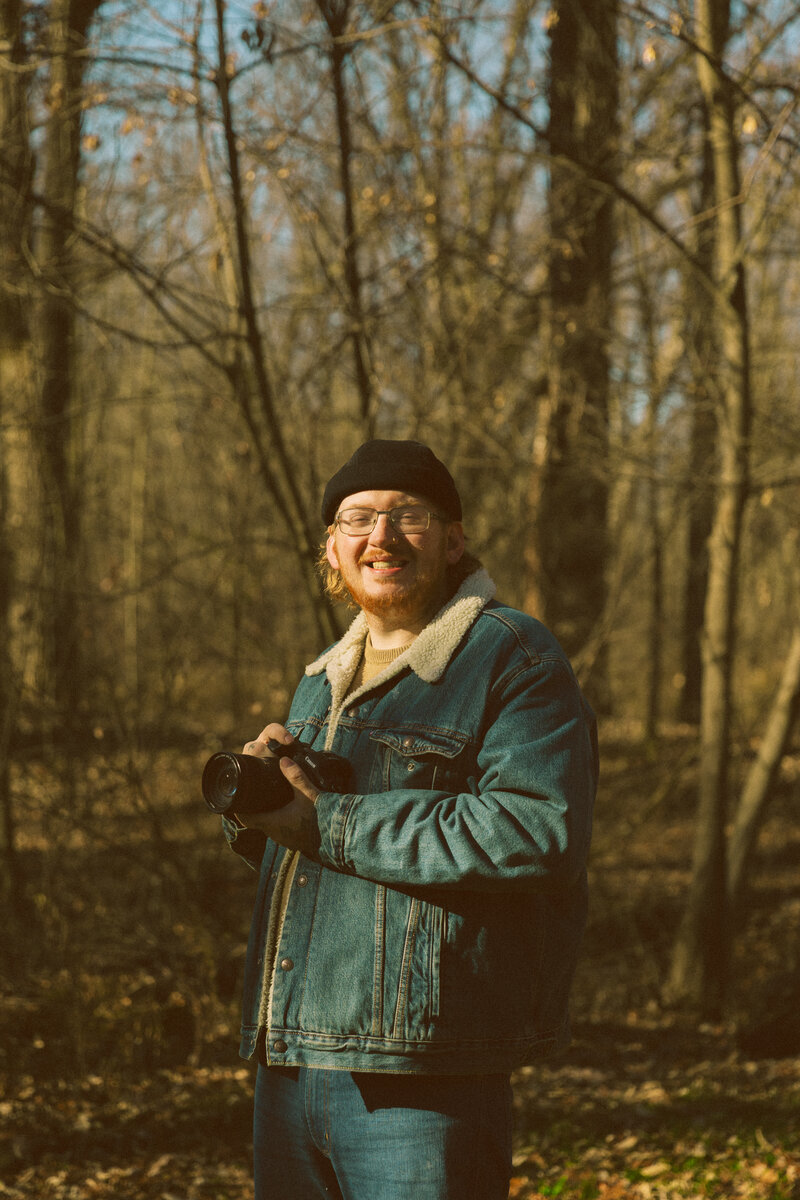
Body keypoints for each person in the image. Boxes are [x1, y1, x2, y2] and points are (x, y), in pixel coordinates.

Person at [221, 438, 598, 1200]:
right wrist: (260, 813)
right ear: (332, 547)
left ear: (453, 540)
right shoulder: (322, 678)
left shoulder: (513, 655)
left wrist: (327, 821)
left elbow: (537, 831)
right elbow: (314, 858)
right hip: (291, 1060)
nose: (381, 537)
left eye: (410, 516)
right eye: (357, 519)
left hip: (424, 1072)